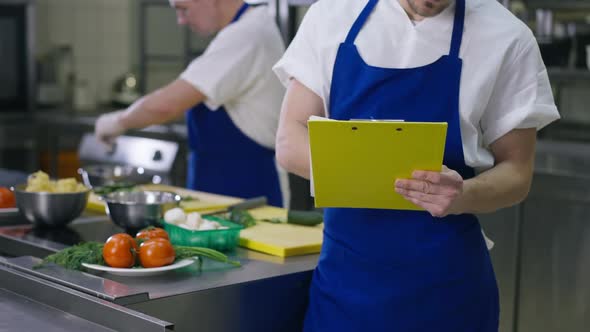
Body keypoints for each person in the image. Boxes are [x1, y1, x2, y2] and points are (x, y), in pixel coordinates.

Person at [273, 0, 560, 330]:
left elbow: (518, 170)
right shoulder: (332, 16)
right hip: (345, 286)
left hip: (448, 296)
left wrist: (464, 194)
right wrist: (383, 175)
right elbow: (290, 142)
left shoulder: (507, 37)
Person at [94, 0, 288, 207]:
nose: (181, 21)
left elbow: (166, 105)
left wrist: (116, 121)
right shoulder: (246, 29)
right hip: (221, 187)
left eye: (183, 8)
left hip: (246, 188)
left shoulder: (247, 35)